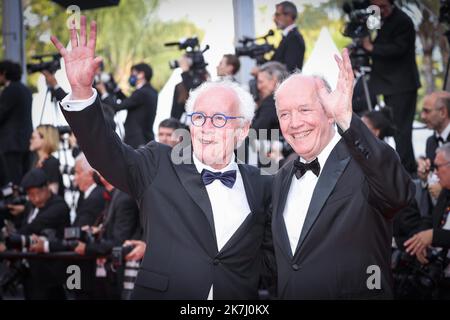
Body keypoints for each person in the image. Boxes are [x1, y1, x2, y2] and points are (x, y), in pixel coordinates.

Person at [51, 16, 274, 300]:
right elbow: (106, 154)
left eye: (219, 118)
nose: (206, 127)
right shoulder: (158, 163)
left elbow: (274, 259)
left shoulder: (262, 183)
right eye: (199, 117)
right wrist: (82, 93)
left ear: (242, 131)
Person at [271, 48, 415, 299]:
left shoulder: (363, 166)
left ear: (328, 113)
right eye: (285, 114)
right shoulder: (281, 178)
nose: (294, 123)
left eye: (304, 110)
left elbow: (399, 194)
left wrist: (346, 118)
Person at [362, 0, 420, 174]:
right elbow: (372, 33)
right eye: (375, 7)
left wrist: (371, 47)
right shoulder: (379, 19)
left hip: (401, 84)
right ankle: (398, 166)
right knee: (395, 129)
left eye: (383, 6)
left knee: (402, 129)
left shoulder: (402, 21)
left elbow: (398, 49)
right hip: (387, 84)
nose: (379, 11)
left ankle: (407, 169)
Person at [2, 168, 70, 299]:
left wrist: (8, 242)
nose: (36, 198)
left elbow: (33, 227)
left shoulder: (59, 206)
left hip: (50, 274)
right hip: (30, 272)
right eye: (31, 195)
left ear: (47, 187)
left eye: (38, 193)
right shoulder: (30, 206)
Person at [405, 143, 450, 298]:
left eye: (437, 167)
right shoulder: (446, 192)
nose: (434, 173)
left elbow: (435, 231)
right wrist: (420, 240)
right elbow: (430, 218)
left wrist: (433, 236)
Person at [96, 63, 158, 148]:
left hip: (137, 139)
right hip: (145, 137)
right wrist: (116, 89)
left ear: (141, 74)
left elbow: (117, 107)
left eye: (133, 73)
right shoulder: (150, 91)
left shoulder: (141, 93)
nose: (131, 76)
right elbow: (130, 102)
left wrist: (104, 92)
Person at [0, 60, 33, 185]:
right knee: (22, 179)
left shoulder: (10, 91)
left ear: (4, 73)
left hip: (11, 144)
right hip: (25, 142)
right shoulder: (25, 90)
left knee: (12, 181)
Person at [29, 124, 64, 196]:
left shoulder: (51, 162)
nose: (30, 140)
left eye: (33, 138)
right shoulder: (35, 161)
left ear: (44, 139)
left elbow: (53, 193)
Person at [271, 1, 305, 72]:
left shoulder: (294, 38)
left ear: (289, 16)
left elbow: (290, 69)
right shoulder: (289, 37)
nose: (274, 18)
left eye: (277, 14)